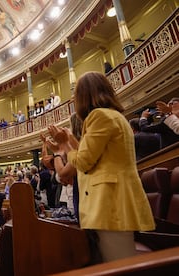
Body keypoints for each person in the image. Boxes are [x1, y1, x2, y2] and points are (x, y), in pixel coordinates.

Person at [46, 71, 155, 262]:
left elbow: (84, 163)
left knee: (118, 264)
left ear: (83, 96)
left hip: (109, 202)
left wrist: (64, 145)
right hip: (114, 199)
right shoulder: (113, 116)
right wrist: (69, 142)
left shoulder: (99, 116)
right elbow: (93, 157)